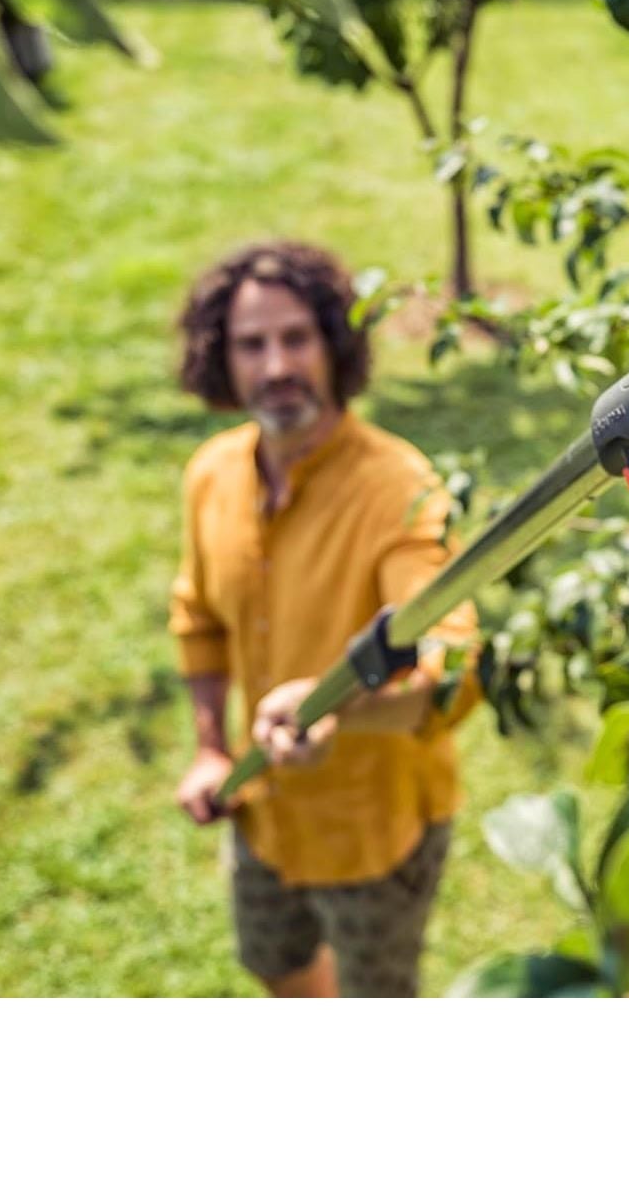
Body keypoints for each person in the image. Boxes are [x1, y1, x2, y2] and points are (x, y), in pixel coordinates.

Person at [169, 241, 479, 997]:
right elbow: (199, 620)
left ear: (336, 347)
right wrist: (212, 749)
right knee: (274, 964)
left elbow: (451, 670)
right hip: (262, 806)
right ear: (222, 358)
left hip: (371, 831)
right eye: (251, 344)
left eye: (296, 338)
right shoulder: (211, 474)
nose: (276, 366)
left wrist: (339, 712)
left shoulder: (399, 488)